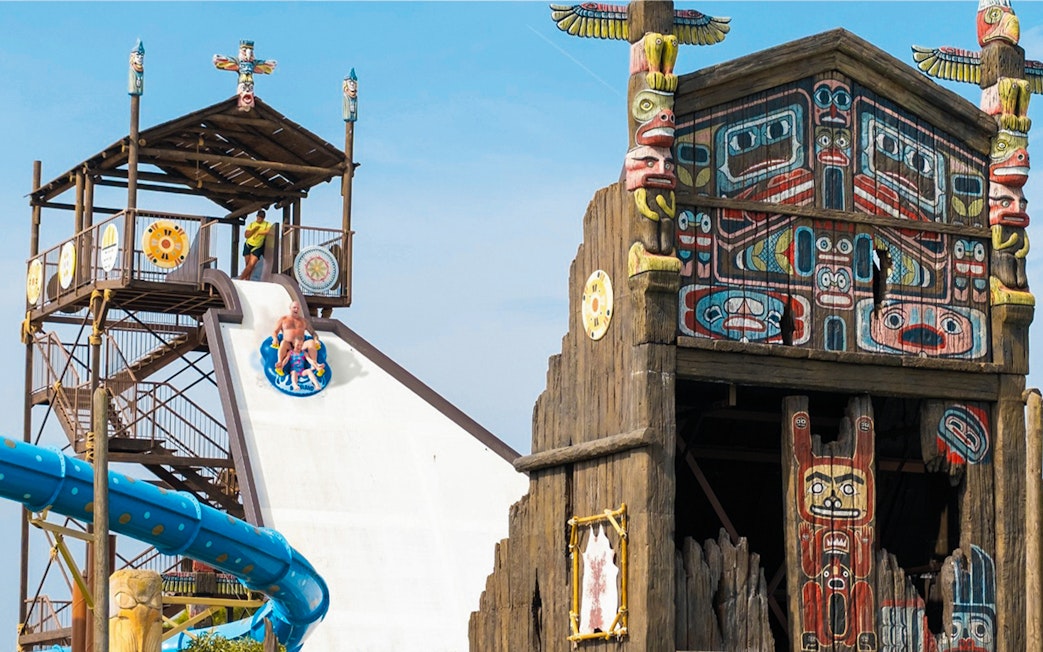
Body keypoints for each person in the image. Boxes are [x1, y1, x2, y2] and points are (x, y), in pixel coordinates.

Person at [273, 301, 323, 375]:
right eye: (294, 307)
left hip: (300, 346)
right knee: (283, 342)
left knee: (311, 342)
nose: (296, 309)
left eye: (298, 308)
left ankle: (314, 364)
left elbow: (313, 333)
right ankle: (280, 363)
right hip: (289, 346)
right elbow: (275, 332)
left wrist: (316, 340)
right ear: (290, 308)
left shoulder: (304, 321)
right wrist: (275, 338)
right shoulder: (283, 319)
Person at [239, 209, 272, 280]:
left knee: (251, 265)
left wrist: (259, 232)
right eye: (258, 217)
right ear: (256, 216)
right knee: (247, 265)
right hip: (248, 244)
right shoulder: (252, 224)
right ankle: (247, 279)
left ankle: (241, 278)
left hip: (257, 246)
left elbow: (269, 230)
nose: (259, 219)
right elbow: (246, 235)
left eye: (261, 218)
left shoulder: (266, 224)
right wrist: (254, 230)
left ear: (264, 218)